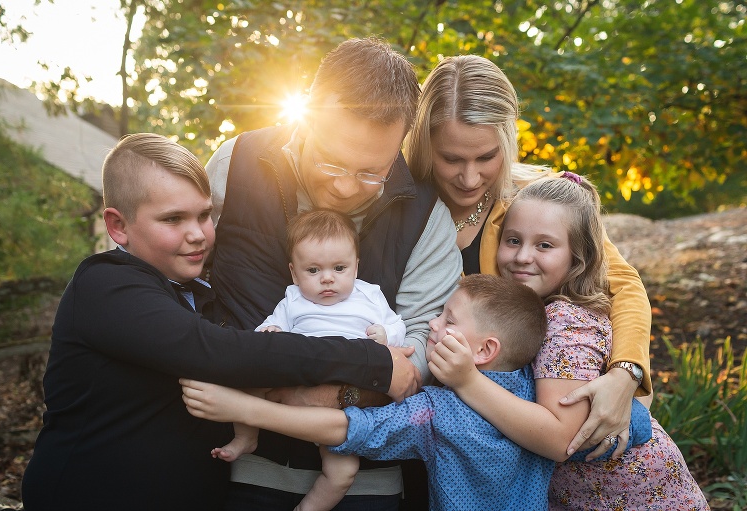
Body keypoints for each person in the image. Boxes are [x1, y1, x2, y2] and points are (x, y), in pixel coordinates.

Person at [20, 133, 420, 511]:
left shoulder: (203, 292)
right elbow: (214, 353)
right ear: (118, 226)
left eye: (205, 215)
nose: (198, 234)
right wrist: (372, 361)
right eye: (173, 219)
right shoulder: (106, 285)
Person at [205, 37, 462, 509]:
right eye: (331, 160)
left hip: (366, 476)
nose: (345, 187)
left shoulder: (427, 218)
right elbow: (187, 280)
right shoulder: (234, 163)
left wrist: (339, 395)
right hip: (233, 464)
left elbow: (426, 341)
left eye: (371, 172)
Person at [404, 54, 653, 457]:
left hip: (515, 434)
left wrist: (625, 375)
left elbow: (622, 285)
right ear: (423, 142)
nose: (469, 178)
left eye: (486, 157)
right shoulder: (400, 202)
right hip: (422, 422)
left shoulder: (538, 199)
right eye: (451, 158)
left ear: (506, 139)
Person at [429, 175, 709, 510]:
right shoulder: (542, 312)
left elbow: (562, 438)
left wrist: (468, 381)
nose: (522, 257)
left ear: (577, 258)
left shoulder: (565, 322)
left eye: (544, 245)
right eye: (513, 240)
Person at [182, 274, 559, 511]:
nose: (432, 322)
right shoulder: (536, 387)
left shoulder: (436, 413)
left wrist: (245, 408)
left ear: (484, 351)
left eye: (448, 319)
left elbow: (345, 429)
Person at [214, 209, 407, 511]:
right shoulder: (293, 300)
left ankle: (310, 507)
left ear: (356, 266)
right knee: (250, 382)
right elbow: (262, 334)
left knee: (343, 471)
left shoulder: (369, 295)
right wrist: (271, 330)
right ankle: (246, 436)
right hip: (297, 377)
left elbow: (399, 326)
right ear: (294, 273)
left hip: (341, 404)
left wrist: (386, 334)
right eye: (313, 271)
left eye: (339, 268)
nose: (327, 279)